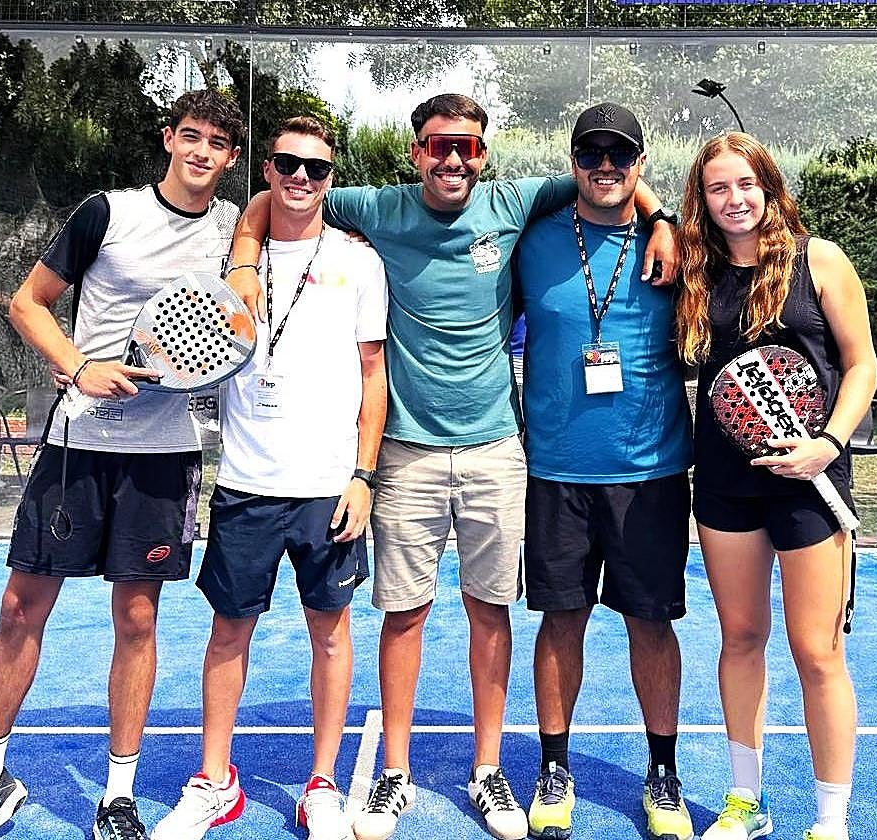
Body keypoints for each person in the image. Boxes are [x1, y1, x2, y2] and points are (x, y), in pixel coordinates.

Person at [227, 93, 678, 840]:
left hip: (498, 449)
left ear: (483, 153)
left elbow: (613, 178)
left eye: (466, 146)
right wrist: (245, 256)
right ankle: (394, 773)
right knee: (404, 613)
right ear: (417, 152)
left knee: (488, 611)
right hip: (405, 452)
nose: (452, 159)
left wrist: (662, 219)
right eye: (438, 145)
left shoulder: (516, 200)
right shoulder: (377, 206)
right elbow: (277, 194)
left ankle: (489, 769)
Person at [0, 89, 246, 840]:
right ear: (169, 139)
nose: (201, 152)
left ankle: (118, 796)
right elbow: (28, 303)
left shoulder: (235, 227)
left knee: (136, 618)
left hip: (163, 457)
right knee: (20, 608)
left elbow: (264, 262)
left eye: (216, 144)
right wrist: (79, 365)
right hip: (77, 446)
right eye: (191, 136)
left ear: (231, 158)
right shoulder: (107, 212)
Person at [150, 116, 388, 840]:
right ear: (267, 169)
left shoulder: (358, 261)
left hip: (328, 488)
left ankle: (322, 784)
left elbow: (373, 376)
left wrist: (363, 476)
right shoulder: (230, 249)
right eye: (287, 163)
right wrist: (243, 261)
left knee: (331, 635)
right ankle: (214, 781)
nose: (301, 177)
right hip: (246, 482)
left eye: (316, 168)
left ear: (331, 178)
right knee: (228, 632)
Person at [676, 132, 875, 840]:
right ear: (701, 200)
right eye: (717, 188)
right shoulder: (694, 272)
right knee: (740, 637)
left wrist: (828, 445)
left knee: (817, 652)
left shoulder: (820, 259)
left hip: (810, 484)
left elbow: (862, 365)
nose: (734, 199)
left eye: (745, 184)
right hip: (725, 486)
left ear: (768, 186)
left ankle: (831, 821)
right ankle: (745, 802)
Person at [514, 103, 694, 840]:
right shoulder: (532, 238)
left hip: (650, 473)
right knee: (562, 619)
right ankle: (554, 768)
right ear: (573, 162)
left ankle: (662, 773)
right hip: (556, 470)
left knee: (651, 622)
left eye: (620, 154)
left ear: (641, 164)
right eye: (591, 153)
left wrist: (667, 220)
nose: (606, 166)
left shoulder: (677, 247)